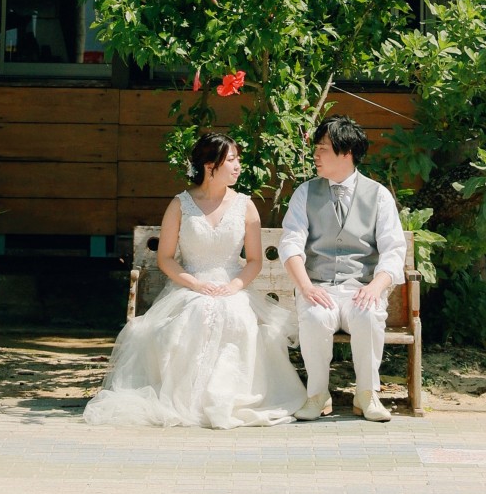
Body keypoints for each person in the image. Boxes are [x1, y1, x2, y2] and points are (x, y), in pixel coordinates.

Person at [83, 132, 305, 428]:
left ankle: (226, 398)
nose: (239, 166)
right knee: (196, 314)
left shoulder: (245, 206)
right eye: (232, 160)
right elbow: (166, 258)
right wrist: (195, 284)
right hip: (190, 283)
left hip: (231, 285)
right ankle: (189, 401)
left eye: (238, 159)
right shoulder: (180, 205)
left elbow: (254, 260)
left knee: (235, 316)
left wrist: (235, 286)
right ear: (210, 166)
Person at [278, 115, 406, 423]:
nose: (315, 155)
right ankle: (318, 395)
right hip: (319, 285)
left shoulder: (378, 195)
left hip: (360, 286)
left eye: (322, 148)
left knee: (368, 314)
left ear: (346, 153)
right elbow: (290, 243)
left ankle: (367, 395)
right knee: (315, 315)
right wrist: (306, 287)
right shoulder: (305, 193)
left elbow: (394, 248)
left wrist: (377, 285)